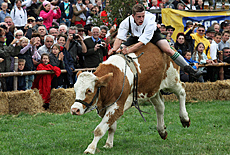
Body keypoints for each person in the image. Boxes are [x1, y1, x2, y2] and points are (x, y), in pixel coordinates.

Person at [108, 4, 202, 79]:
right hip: (135, 36)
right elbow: (119, 38)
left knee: (167, 49)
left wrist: (128, 50)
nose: (141, 19)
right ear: (133, 16)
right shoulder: (125, 22)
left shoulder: (150, 19)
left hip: (152, 35)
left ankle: (189, 68)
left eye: (143, 16)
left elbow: (142, 43)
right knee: (119, 50)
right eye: (139, 17)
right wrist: (114, 49)